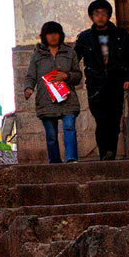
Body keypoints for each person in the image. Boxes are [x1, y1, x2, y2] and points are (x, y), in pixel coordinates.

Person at [74, 0, 129, 159]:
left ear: (109, 15)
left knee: (114, 120)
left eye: (103, 13)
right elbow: (73, 58)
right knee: (101, 120)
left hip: (116, 83)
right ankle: (105, 153)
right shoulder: (85, 38)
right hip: (95, 85)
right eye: (97, 14)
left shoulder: (121, 35)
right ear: (91, 17)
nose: (100, 17)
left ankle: (111, 152)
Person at [23, 21, 83, 163]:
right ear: (44, 36)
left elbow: (78, 75)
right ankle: (55, 162)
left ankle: (71, 159)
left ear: (60, 35)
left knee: (69, 128)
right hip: (46, 100)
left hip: (67, 99)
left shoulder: (70, 53)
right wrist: (28, 88)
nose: (53, 36)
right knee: (51, 135)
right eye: (49, 33)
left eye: (56, 33)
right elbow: (31, 75)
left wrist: (66, 76)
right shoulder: (37, 55)